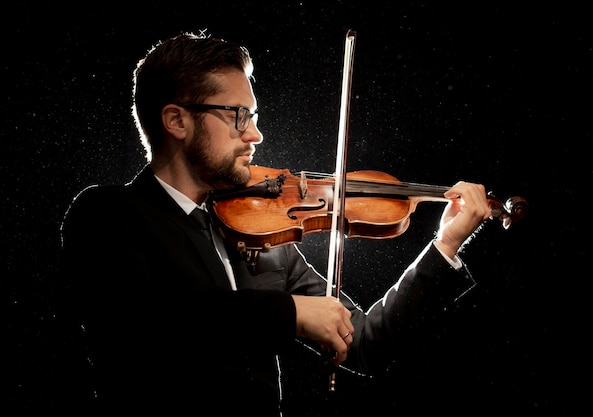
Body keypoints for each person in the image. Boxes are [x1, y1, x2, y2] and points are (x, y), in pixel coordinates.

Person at [57, 30, 492, 416]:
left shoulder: (261, 233)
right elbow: (145, 323)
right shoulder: (109, 214)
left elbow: (364, 343)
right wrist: (290, 312)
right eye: (237, 116)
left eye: (255, 116)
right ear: (176, 121)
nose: (255, 135)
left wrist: (444, 246)